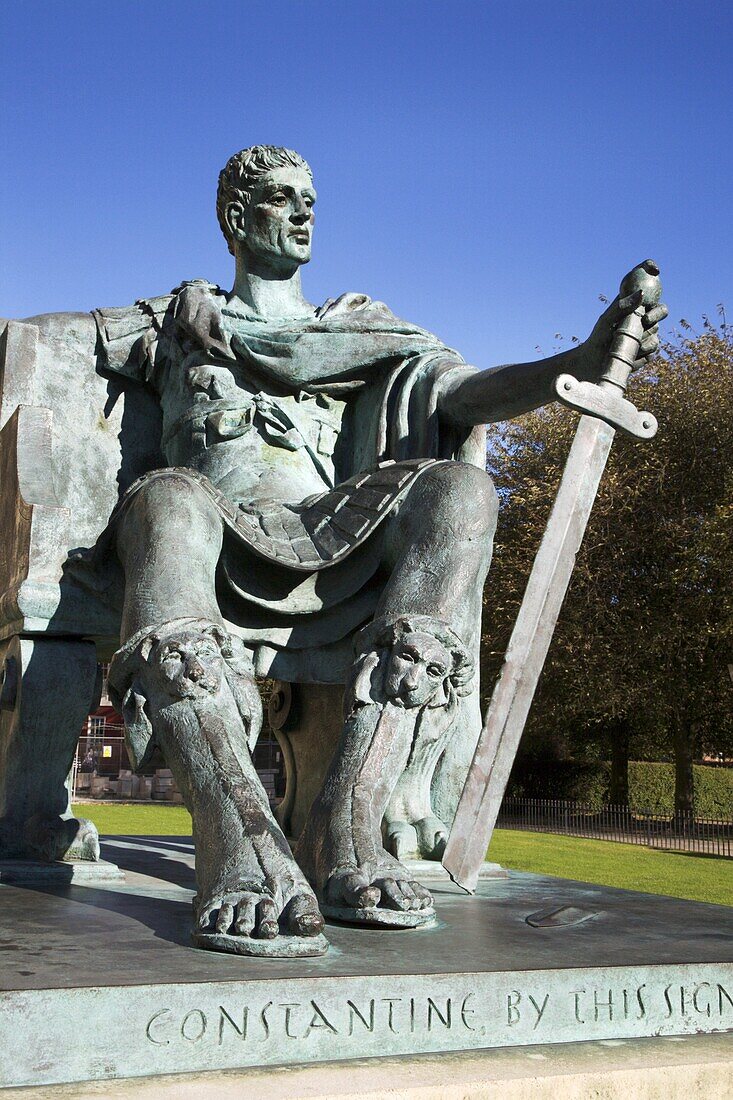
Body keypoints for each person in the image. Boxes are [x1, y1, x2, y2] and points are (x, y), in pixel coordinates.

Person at [94, 145, 666, 956]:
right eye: (282, 199)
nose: (303, 215)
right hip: (213, 525)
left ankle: (348, 823)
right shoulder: (168, 324)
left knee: (460, 491)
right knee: (166, 499)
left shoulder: (363, 327)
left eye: (311, 203)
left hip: (336, 529)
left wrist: (575, 364)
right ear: (236, 216)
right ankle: (238, 839)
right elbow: (46, 355)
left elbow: (462, 392)